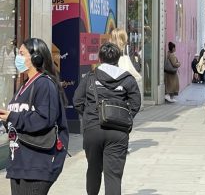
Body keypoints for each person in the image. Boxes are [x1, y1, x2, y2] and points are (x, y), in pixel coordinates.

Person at [0, 38, 69, 194]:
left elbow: (43, 119)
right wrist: (6, 118)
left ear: (35, 58)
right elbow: (18, 118)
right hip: (18, 165)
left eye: (22, 54)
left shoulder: (44, 84)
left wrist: (13, 117)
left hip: (36, 166)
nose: (18, 58)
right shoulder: (24, 86)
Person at [73, 42, 141, 195]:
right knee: (113, 175)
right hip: (118, 132)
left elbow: (77, 101)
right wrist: (124, 117)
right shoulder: (127, 79)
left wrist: (90, 116)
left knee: (93, 169)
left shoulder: (90, 77)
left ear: (100, 58)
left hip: (93, 130)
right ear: (118, 58)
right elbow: (136, 103)